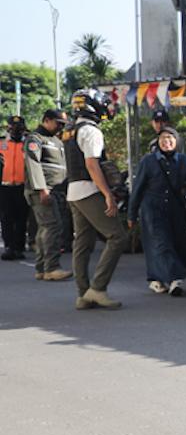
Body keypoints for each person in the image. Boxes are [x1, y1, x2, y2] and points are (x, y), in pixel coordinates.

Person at [65, 90, 126, 310]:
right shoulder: (91, 131)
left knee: (82, 243)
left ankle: (83, 294)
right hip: (89, 190)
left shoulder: (70, 130)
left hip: (73, 191)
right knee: (117, 236)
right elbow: (92, 165)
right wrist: (108, 194)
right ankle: (98, 289)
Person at [128, 128, 186, 296]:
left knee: (177, 243)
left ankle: (156, 279)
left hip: (175, 209)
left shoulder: (184, 161)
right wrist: (131, 214)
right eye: (163, 138)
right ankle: (174, 280)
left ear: (176, 141)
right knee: (160, 244)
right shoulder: (148, 161)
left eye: (170, 138)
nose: (167, 142)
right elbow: (138, 189)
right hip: (152, 209)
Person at [23, 109, 71, 281]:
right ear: (47, 120)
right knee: (53, 227)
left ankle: (42, 268)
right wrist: (42, 189)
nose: (60, 127)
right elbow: (33, 164)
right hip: (44, 191)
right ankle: (52, 267)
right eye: (58, 123)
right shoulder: (35, 139)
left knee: (46, 228)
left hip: (56, 191)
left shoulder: (56, 140)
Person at [1, 115, 29, 260]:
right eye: (13, 127)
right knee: (6, 217)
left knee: (21, 218)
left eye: (19, 128)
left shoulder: (29, 144)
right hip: (5, 186)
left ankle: (19, 247)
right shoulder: (2, 143)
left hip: (22, 186)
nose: (16, 130)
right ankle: (8, 247)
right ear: (8, 128)